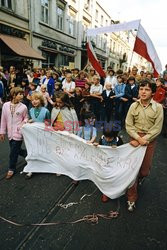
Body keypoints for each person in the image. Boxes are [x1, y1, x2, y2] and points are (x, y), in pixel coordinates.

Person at [125, 80, 164, 211]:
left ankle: (140, 178)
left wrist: (144, 139)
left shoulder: (158, 108)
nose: (143, 92)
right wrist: (137, 138)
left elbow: (157, 128)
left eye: (147, 90)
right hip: (134, 139)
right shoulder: (133, 106)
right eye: (141, 89)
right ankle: (131, 197)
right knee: (132, 171)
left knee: (144, 171)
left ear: (152, 92)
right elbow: (129, 125)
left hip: (149, 140)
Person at [0, 87, 28, 179]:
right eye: (20, 94)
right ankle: (27, 155)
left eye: (22, 94)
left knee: (13, 152)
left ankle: (11, 168)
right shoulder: (5, 105)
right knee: (15, 149)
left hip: (18, 132)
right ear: (13, 95)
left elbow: (26, 118)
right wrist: (2, 132)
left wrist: (22, 125)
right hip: (10, 133)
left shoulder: (23, 107)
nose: (22, 95)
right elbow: (3, 119)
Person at [93, 126, 123, 202]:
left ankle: (113, 191)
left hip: (114, 162)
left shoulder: (118, 140)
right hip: (105, 162)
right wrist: (97, 145)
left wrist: (117, 148)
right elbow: (99, 146)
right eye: (106, 137)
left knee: (113, 177)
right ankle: (105, 193)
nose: (107, 139)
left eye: (110, 138)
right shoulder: (102, 138)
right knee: (104, 176)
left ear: (114, 136)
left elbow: (123, 150)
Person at [25, 92, 51, 179]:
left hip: (43, 134)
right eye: (32, 100)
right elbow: (33, 119)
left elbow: (48, 123)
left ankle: (50, 167)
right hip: (33, 134)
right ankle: (31, 168)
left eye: (36, 99)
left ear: (41, 100)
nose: (34, 101)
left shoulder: (46, 111)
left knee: (44, 150)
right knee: (33, 150)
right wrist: (30, 121)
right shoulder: (31, 110)